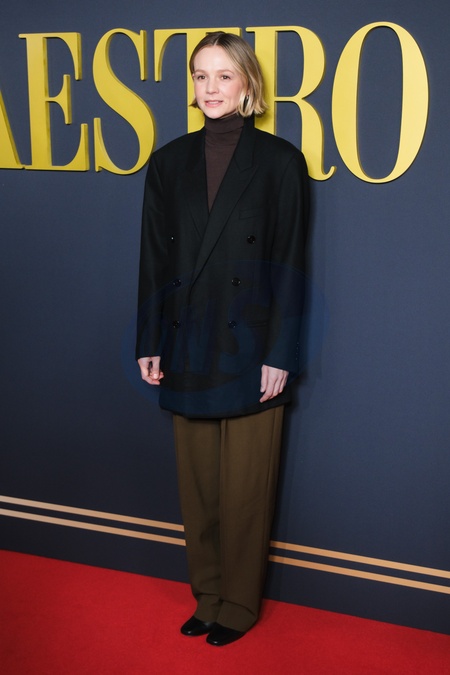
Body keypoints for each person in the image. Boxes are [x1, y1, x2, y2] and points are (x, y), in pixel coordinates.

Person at [136, 31, 309, 646]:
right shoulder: (169, 161)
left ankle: (238, 603)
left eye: (224, 76)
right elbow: (153, 261)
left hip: (252, 347)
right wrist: (149, 339)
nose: (210, 88)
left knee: (244, 492)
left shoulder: (280, 161)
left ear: (248, 84)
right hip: (186, 342)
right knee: (199, 487)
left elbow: (290, 263)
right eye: (200, 76)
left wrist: (280, 353)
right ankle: (207, 594)